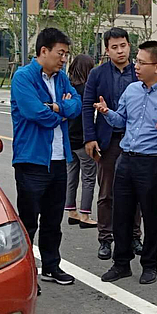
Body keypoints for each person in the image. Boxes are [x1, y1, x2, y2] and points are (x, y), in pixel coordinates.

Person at [94, 41, 157, 285]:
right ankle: (121, 263)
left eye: (142, 62)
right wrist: (106, 112)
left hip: (151, 163)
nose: (136, 66)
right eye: (136, 61)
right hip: (126, 158)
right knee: (121, 213)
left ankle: (150, 264)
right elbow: (121, 121)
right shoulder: (132, 90)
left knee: (151, 216)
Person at [11, 27, 82, 287]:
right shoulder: (23, 77)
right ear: (44, 51)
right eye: (60, 53)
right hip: (32, 160)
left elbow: (76, 105)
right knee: (29, 222)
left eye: (66, 54)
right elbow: (34, 112)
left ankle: (51, 267)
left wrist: (57, 107)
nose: (64, 59)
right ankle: (25, 274)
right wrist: (61, 113)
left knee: (53, 220)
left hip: (59, 159)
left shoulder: (61, 78)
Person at [82, 27, 143, 260]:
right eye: (114, 47)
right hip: (108, 141)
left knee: (135, 191)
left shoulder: (138, 72)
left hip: (134, 140)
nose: (120, 51)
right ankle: (105, 238)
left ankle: (134, 236)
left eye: (123, 45)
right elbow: (87, 107)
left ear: (129, 46)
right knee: (107, 192)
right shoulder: (97, 74)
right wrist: (90, 137)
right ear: (107, 50)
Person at [65, 54, 97, 229]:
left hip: (68, 140)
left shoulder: (67, 88)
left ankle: (71, 212)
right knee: (88, 177)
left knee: (71, 176)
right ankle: (85, 215)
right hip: (83, 140)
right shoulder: (87, 90)